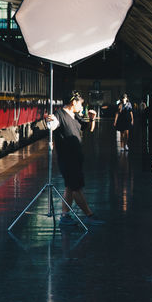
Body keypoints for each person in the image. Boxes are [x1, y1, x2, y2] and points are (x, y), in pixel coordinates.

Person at [44, 91, 102, 225]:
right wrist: (48, 121)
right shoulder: (59, 115)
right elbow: (52, 125)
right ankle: (89, 214)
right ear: (73, 102)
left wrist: (92, 118)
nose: (81, 106)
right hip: (67, 158)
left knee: (70, 187)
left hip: (76, 158)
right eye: (80, 103)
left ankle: (65, 216)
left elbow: (88, 128)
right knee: (76, 188)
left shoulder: (74, 115)